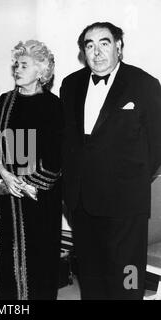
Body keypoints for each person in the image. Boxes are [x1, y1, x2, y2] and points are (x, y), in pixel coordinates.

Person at [60, 22, 161, 300]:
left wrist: (131, 179)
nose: (97, 52)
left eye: (104, 43)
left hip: (125, 201)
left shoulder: (144, 84)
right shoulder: (70, 85)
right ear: (83, 52)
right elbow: (68, 142)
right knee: (91, 273)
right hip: (81, 200)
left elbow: (157, 145)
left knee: (127, 273)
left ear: (119, 46)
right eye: (89, 45)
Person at [0, 40, 63, 300]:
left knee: (39, 260)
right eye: (16, 65)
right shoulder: (4, 101)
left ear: (41, 71)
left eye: (24, 65)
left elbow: (55, 158)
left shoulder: (53, 106)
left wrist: (25, 183)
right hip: (10, 195)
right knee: (10, 258)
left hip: (40, 198)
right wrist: (4, 177)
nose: (17, 69)